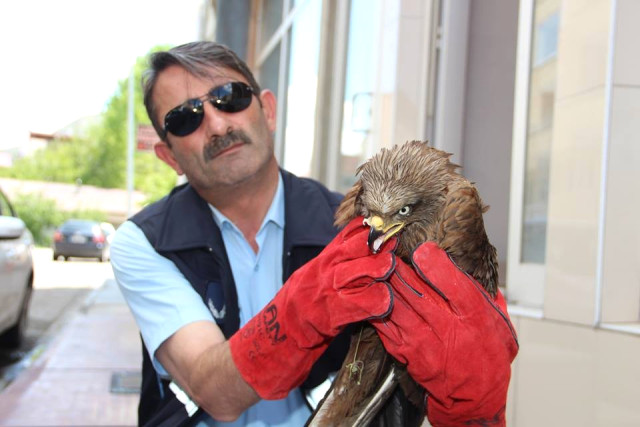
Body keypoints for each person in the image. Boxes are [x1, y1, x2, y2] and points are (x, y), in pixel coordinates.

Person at [112, 41, 517, 427]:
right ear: (168, 156)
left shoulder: (362, 223)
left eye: (229, 97)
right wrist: (299, 313)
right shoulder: (144, 242)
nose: (217, 124)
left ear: (268, 110)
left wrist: (474, 412)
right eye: (185, 118)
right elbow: (211, 388)